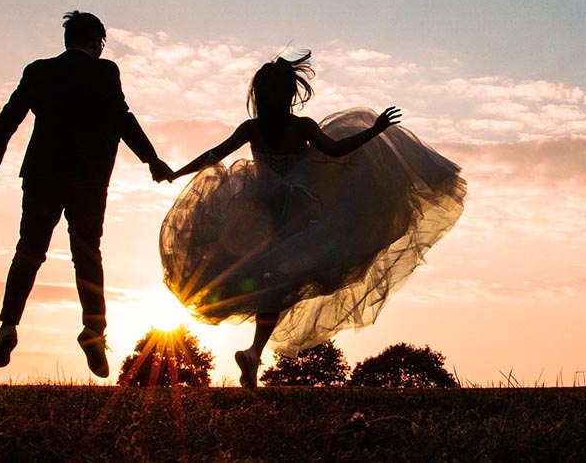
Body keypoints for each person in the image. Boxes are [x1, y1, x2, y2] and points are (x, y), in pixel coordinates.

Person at [161, 51, 466, 388]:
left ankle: (254, 353)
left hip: (260, 215)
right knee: (274, 283)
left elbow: (213, 156)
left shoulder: (256, 128)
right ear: (289, 93)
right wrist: (374, 130)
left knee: (269, 284)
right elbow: (335, 151)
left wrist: (177, 172)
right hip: (292, 215)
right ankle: (254, 353)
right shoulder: (297, 126)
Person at [0, 10, 173, 378]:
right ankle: (93, 331)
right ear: (96, 42)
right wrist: (152, 160)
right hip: (88, 178)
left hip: (41, 174)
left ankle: (7, 326)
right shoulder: (104, 72)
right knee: (86, 253)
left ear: (67, 39)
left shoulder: (38, 71)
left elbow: (11, 114)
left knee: (29, 249)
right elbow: (122, 118)